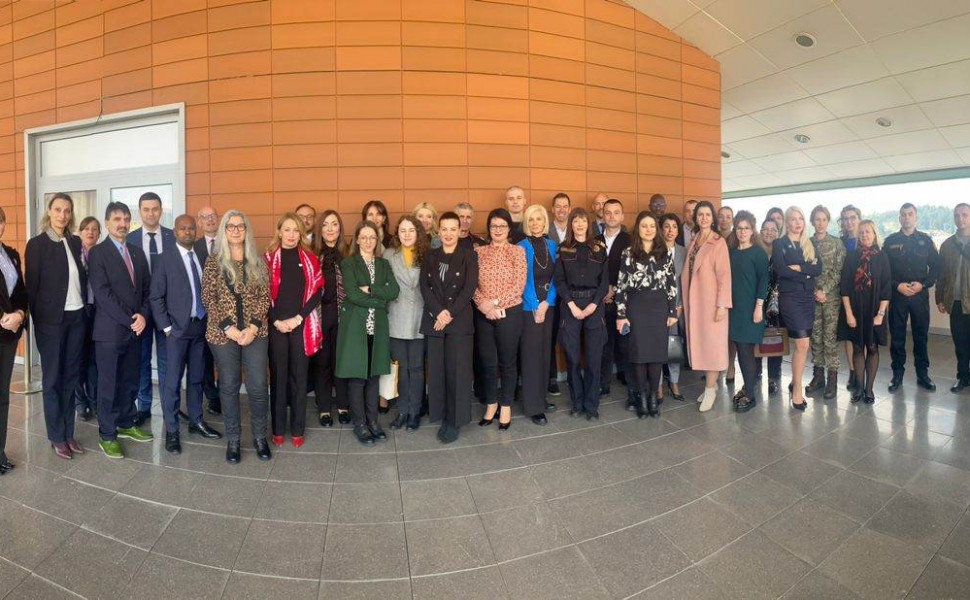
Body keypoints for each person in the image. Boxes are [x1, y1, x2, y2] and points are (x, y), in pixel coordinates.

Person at [202, 210, 273, 464]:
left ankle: (260, 437)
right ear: (224, 230)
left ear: (246, 230)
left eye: (240, 226)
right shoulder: (213, 262)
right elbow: (208, 298)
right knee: (229, 385)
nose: (235, 230)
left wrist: (252, 328)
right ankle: (233, 440)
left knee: (258, 385)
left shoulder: (258, 261)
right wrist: (228, 328)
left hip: (256, 332)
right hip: (223, 334)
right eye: (230, 226)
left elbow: (265, 296)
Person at [149, 214, 223, 455]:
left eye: (191, 228)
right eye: (183, 228)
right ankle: (172, 430)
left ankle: (196, 421)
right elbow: (155, 296)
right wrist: (167, 328)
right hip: (176, 332)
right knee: (172, 382)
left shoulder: (202, 256)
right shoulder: (165, 259)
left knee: (197, 378)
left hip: (200, 327)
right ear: (175, 231)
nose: (188, 232)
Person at [88, 202, 154, 459]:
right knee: (108, 385)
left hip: (135, 330)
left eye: (126, 219)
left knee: (130, 380)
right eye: (117, 219)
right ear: (107, 223)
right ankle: (107, 435)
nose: (122, 223)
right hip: (110, 332)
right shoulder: (98, 253)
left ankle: (126, 422)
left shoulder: (136, 253)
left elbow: (146, 290)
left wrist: (143, 316)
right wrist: (131, 319)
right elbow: (103, 294)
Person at [25, 193, 88, 460]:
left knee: (71, 377)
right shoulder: (37, 245)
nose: (63, 215)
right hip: (51, 323)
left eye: (67, 210)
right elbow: (32, 288)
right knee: (52, 379)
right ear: (49, 212)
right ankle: (56, 436)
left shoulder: (74, 242)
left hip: (77, 317)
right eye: (58, 209)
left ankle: (68, 432)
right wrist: (40, 323)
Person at [336, 221, 400, 445]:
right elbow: (353, 294)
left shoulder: (383, 264)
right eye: (363, 237)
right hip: (356, 327)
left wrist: (371, 289)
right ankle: (360, 424)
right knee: (357, 377)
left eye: (372, 237)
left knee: (373, 376)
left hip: (377, 327)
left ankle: (373, 421)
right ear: (357, 239)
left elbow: (394, 290)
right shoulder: (349, 263)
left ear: (377, 240)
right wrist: (380, 302)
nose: (368, 241)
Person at [265, 213, 323, 448]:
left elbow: (317, 291)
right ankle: (278, 429)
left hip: (301, 326)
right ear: (279, 232)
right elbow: (261, 295)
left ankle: (298, 429)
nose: (291, 234)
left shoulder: (310, 259)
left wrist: (298, 318)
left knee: (299, 378)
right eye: (287, 229)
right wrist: (276, 321)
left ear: (301, 234)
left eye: (296, 230)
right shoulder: (267, 259)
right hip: (276, 326)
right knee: (278, 378)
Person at [421, 212, 478, 443]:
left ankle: (455, 421)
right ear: (439, 230)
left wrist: (449, 314)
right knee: (437, 372)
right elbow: (424, 286)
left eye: (453, 229)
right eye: (444, 229)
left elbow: (469, 288)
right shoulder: (430, 255)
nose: (448, 233)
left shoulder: (469, 255)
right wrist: (439, 312)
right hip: (435, 320)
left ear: (459, 230)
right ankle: (442, 415)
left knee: (458, 373)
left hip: (459, 322)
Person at [615, 212, 678, 418]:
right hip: (636, 307)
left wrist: (672, 311)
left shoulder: (665, 252)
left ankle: (653, 397)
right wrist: (621, 314)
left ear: (656, 229)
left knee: (656, 355)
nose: (648, 229)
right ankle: (641, 397)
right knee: (639, 355)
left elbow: (671, 284)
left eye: (652, 226)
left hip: (659, 307)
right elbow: (621, 286)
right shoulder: (628, 253)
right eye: (644, 226)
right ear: (638, 229)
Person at [474, 208, 527, 430]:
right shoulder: (478, 252)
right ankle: (491, 404)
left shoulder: (517, 252)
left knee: (507, 362)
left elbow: (519, 285)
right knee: (487, 362)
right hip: (483, 314)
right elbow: (471, 284)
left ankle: (506, 405)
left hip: (510, 313)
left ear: (509, 229)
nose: (498, 230)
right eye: (494, 226)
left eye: (502, 226)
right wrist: (484, 305)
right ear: (489, 228)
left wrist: (495, 304)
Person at [554, 207, 609, 419]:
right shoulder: (563, 249)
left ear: (588, 224)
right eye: (575, 221)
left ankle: (591, 405)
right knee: (573, 358)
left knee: (594, 359)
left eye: (583, 221)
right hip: (571, 306)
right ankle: (577, 403)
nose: (579, 224)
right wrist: (571, 305)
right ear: (571, 224)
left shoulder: (599, 248)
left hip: (594, 305)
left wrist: (594, 305)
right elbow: (559, 280)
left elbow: (604, 281)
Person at [127, 191, 174, 426]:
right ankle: (144, 406)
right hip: (141, 311)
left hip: (167, 310)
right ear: (140, 212)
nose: (151, 213)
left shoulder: (173, 237)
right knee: (142, 360)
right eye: (146, 209)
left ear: (161, 210)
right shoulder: (129, 239)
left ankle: (168, 407)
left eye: (155, 209)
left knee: (167, 361)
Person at [884, 203, 941, 392]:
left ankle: (922, 374)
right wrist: (897, 285)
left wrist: (923, 285)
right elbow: (884, 271)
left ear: (916, 218)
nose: (906, 217)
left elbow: (936, 267)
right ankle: (897, 375)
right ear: (899, 218)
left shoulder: (925, 240)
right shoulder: (890, 241)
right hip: (898, 295)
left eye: (910, 214)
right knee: (897, 336)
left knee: (921, 336)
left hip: (919, 295)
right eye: (903, 214)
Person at [682, 200, 731, 412]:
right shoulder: (694, 240)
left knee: (712, 347)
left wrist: (722, 305)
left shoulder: (718, 242)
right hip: (695, 302)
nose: (703, 218)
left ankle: (711, 389)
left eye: (707, 214)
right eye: (700, 214)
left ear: (713, 219)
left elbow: (724, 276)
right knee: (702, 344)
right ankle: (710, 385)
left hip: (712, 303)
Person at [774, 206, 822, 411]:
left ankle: (795, 380)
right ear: (787, 222)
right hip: (791, 298)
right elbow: (781, 270)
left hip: (807, 298)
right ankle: (797, 390)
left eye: (800, 218)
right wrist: (806, 273)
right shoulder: (780, 243)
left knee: (804, 345)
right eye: (793, 219)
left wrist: (801, 268)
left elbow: (818, 269)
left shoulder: (810, 243)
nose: (797, 222)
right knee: (802, 344)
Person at [841, 220, 891, 404]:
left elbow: (886, 288)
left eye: (868, 232)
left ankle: (869, 389)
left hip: (875, 311)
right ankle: (859, 388)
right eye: (861, 232)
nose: (864, 235)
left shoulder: (882, 257)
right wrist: (848, 313)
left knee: (872, 347)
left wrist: (881, 314)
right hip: (855, 310)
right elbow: (844, 287)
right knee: (857, 347)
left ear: (874, 234)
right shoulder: (852, 257)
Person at [386, 215, 428, 431]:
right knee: (401, 369)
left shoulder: (427, 254)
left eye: (411, 230)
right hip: (396, 317)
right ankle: (402, 411)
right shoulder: (388, 254)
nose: (407, 234)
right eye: (402, 230)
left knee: (417, 368)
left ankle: (415, 412)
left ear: (418, 232)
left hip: (420, 317)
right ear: (397, 233)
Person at [518, 205, 558, 425]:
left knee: (544, 353)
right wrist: (535, 304)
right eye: (531, 219)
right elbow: (523, 280)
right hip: (528, 308)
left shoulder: (552, 245)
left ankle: (541, 398)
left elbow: (557, 277)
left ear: (545, 222)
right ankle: (533, 406)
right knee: (531, 356)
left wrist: (547, 302)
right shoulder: (521, 246)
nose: (535, 223)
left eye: (539, 219)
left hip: (548, 306)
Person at [728, 211, 769, 413]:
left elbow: (764, 281)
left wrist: (758, 307)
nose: (742, 231)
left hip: (751, 309)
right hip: (734, 309)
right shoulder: (732, 252)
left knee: (746, 352)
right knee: (740, 349)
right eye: (739, 228)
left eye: (746, 228)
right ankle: (747, 388)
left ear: (753, 230)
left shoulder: (758, 253)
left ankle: (751, 396)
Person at [313, 210, 351, 426]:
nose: (330, 228)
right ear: (320, 229)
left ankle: (343, 404)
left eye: (334, 224)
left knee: (341, 361)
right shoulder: (312, 254)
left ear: (340, 228)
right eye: (326, 224)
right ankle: (324, 407)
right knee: (323, 363)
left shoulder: (348, 253)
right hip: (319, 315)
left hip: (343, 315)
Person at [806, 206, 846, 400]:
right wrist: (815, 291)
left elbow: (839, 271)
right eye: (817, 219)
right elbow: (805, 270)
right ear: (812, 222)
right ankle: (818, 376)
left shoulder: (837, 243)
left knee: (830, 339)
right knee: (816, 338)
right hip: (812, 298)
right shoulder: (807, 243)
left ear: (828, 221)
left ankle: (832, 380)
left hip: (831, 300)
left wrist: (824, 290)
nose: (820, 223)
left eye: (824, 219)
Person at [599, 198, 634, 407]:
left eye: (616, 212)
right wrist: (603, 290)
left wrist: (614, 288)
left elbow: (633, 272)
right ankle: (603, 384)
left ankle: (632, 390)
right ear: (603, 216)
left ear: (622, 216)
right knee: (604, 343)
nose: (611, 216)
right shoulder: (594, 240)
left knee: (626, 345)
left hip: (624, 303)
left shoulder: (630, 241)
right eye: (608, 212)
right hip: (600, 301)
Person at [0, 207, 26, 476]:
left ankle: (0, 452)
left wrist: (19, 314)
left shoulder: (11, 255)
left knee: (2, 396)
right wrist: (3, 317)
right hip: (2, 325)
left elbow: (21, 292)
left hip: (8, 335)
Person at [936, 203, 970, 393]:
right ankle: (963, 377)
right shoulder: (948, 245)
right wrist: (940, 298)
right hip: (956, 303)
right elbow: (941, 275)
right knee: (960, 343)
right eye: (957, 215)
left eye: (964, 214)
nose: (960, 218)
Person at [194, 206, 220, 413]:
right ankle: (212, 397)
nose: (210, 220)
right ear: (199, 222)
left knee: (226, 357)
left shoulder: (229, 242)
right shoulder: (193, 247)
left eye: (212, 216)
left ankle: (226, 393)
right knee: (205, 357)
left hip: (227, 311)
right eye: (205, 217)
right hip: (202, 311)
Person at [74, 216, 100, 422]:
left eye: (94, 229)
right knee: (77, 358)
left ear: (99, 233)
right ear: (80, 232)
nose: (90, 232)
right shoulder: (74, 254)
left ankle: (94, 400)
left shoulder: (102, 254)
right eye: (86, 228)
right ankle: (80, 402)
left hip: (97, 312)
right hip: (78, 310)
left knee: (93, 359)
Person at [659, 213, 687, 401]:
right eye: (667, 226)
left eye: (674, 226)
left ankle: (674, 381)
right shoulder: (653, 250)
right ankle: (658, 383)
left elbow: (687, 282)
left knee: (673, 344)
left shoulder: (684, 252)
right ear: (661, 230)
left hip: (676, 306)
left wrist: (681, 304)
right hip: (656, 307)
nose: (670, 230)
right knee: (656, 345)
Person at [547, 192, 571, 396]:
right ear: (552, 209)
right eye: (558, 206)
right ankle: (551, 378)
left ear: (569, 209)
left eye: (565, 206)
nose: (562, 210)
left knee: (572, 336)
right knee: (550, 337)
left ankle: (574, 376)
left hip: (573, 294)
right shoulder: (545, 231)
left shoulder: (577, 229)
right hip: (551, 293)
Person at [839, 205, 863, 391]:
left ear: (859, 219)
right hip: (844, 294)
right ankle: (853, 372)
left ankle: (862, 371)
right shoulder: (839, 242)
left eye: (852, 217)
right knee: (849, 335)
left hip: (864, 295)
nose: (849, 222)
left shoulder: (867, 239)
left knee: (863, 335)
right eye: (845, 218)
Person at [759, 219, 783, 394]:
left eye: (773, 229)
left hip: (777, 302)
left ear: (778, 233)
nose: (769, 232)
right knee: (757, 337)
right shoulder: (754, 250)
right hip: (757, 301)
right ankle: (756, 373)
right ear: (760, 231)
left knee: (775, 338)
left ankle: (773, 378)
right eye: (765, 229)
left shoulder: (782, 252)